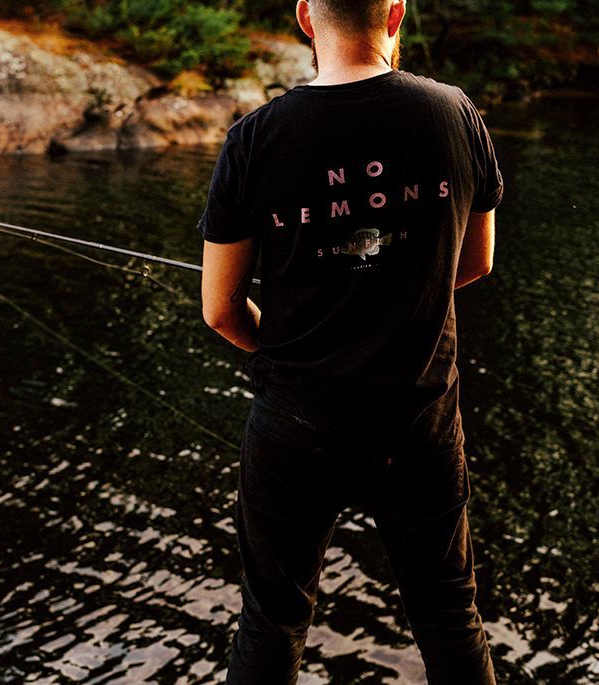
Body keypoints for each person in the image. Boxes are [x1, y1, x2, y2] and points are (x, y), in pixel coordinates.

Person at [196, 0, 503, 682]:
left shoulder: (253, 139)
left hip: (294, 424)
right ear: (395, 12)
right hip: (418, 421)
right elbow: (476, 261)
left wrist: (289, 349)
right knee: (451, 616)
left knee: (270, 622)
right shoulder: (455, 113)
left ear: (307, 17)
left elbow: (220, 310)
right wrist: (399, 303)